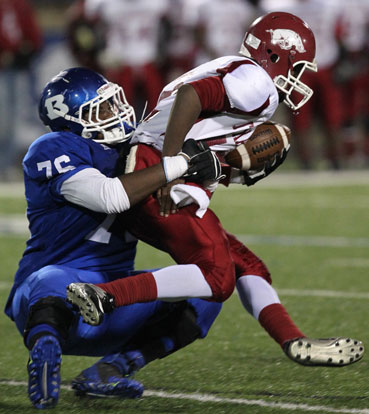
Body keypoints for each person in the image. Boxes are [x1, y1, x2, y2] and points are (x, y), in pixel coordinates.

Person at [67, 10, 364, 391]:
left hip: (153, 166)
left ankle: (293, 340)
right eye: (297, 66)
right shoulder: (257, 81)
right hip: (156, 169)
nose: (299, 77)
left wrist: (227, 164)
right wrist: (172, 166)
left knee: (247, 264)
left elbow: (201, 131)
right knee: (218, 277)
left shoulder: (233, 68)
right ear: (276, 55)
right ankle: (106, 297)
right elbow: (193, 97)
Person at [3, 67, 223, 409]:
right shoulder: (54, 147)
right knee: (52, 280)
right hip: (49, 298)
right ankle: (45, 350)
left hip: (110, 300)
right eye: (102, 109)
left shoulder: (137, 149)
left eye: (115, 103)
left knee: (208, 289)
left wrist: (227, 163)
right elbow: (109, 197)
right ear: (72, 120)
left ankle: (109, 371)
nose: (117, 113)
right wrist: (178, 163)